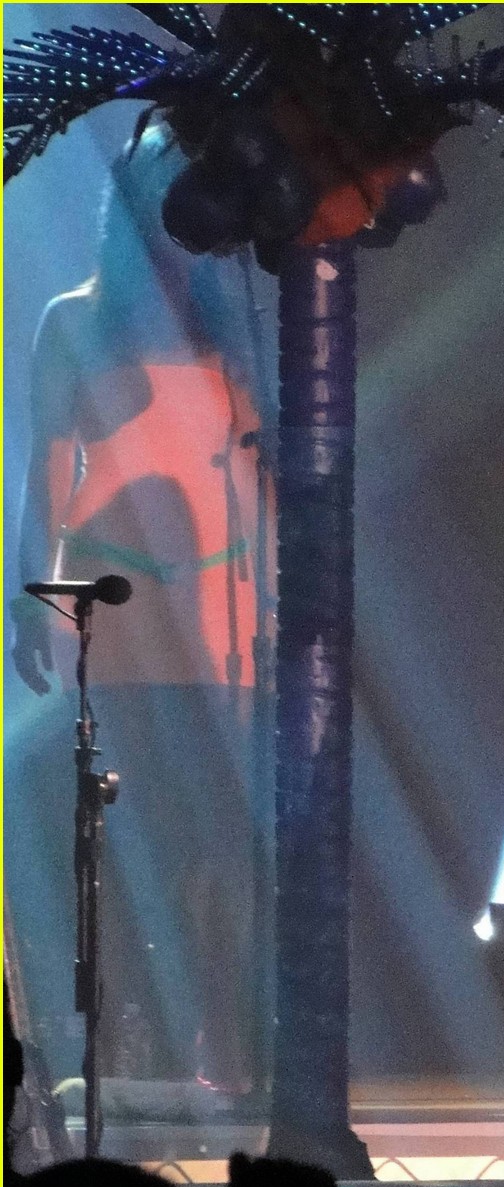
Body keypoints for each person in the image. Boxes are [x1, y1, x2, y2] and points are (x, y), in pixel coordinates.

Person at [9, 126, 276, 1092]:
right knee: (128, 837)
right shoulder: (75, 322)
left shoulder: (234, 322)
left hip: (222, 614)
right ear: (129, 201)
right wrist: (29, 599)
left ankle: (219, 1040)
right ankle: (125, 1043)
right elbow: (46, 471)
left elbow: (265, 480)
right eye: (165, 179)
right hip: (118, 617)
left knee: (226, 839)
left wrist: (279, 605)